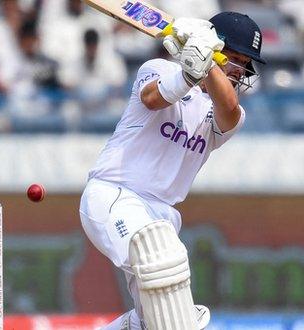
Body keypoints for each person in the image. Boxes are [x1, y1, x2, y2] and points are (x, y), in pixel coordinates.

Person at [79, 12, 265, 329]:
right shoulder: (159, 69)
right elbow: (152, 98)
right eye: (235, 59)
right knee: (162, 260)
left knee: (159, 321)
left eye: (245, 65)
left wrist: (204, 62)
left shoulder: (230, 113)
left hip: (161, 215)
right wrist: (192, 73)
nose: (240, 70)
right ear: (216, 50)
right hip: (114, 196)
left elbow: (229, 106)